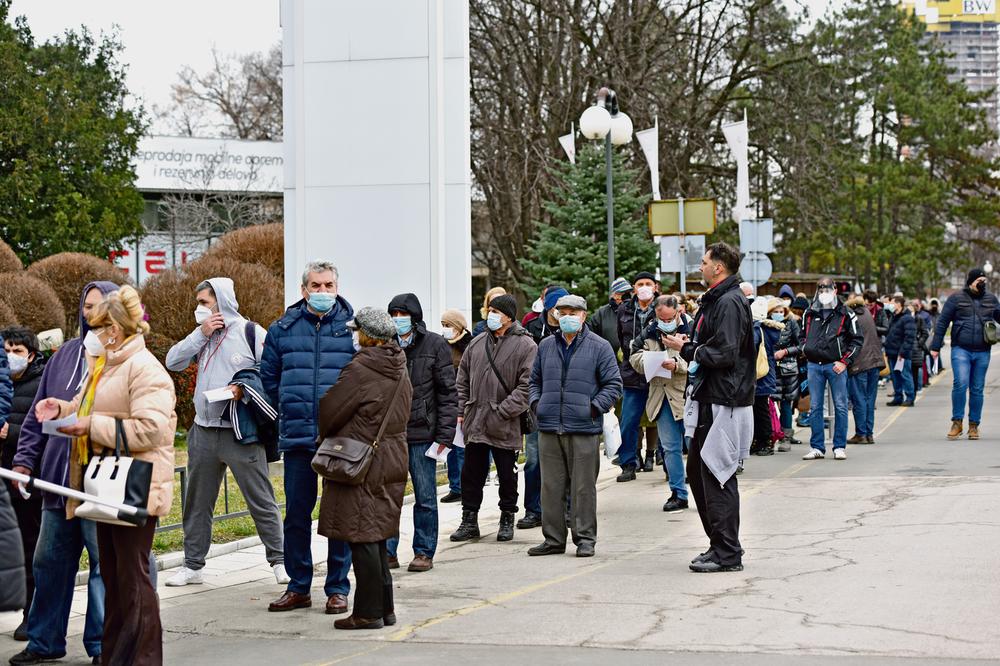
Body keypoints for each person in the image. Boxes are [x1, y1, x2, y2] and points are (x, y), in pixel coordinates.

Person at [35, 285, 176, 665]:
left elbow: (150, 428)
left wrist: (89, 426)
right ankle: (117, 656)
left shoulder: (145, 369)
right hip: (106, 484)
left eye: (98, 327)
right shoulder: (106, 367)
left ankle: (144, 658)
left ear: (114, 329)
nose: (93, 335)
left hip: (135, 485)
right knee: (114, 580)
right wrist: (62, 407)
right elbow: (92, 409)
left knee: (132, 580)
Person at [9, 281, 118, 666]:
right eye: (86, 305)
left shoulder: (122, 357)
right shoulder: (66, 353)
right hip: (57, 481)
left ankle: (103, 646)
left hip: (99, 480)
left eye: (100, 306)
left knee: (104, 567)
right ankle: (44, 641)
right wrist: (24, 463)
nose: (92, 313)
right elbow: (39, 414)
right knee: (49, 563)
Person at [164, 278, 286, 587]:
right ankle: (192, 565)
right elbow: (172, 361)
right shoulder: (203, 335)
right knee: (197, 501)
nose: (199, 308)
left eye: (204, 303)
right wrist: (199, 334)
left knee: (261, 499)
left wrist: (242, 387)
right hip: (203, 432)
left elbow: (272, 373)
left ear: (222, 302)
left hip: (240, 431)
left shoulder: (250, 333)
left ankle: (280, 561)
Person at [261, 261, 354, 615]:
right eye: (316, 286)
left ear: (337, 286)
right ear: (303, 290)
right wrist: (287, 409)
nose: (323, 292)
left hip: (339, 437)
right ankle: (298, 586)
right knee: (297, 515)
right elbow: (269, 379)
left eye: (328, 285)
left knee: (338, 515)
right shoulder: (282, 329)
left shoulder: (351, 329)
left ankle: (337, 588)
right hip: (298, 436)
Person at [315, 307, 412, 630]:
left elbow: (331, 409)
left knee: (362, 536)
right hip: (392, 454)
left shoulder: (362, 368)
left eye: (356, 331)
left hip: (362, 459)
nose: (353, 336)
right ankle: (384, 609)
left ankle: (368, 613)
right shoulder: (398, 364)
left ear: (368, 335)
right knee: (378, 534)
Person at [663, 242, 754, 573]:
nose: (699, 267)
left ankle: (728, 552)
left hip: (724, 399)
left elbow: (726, 353)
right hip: (710, 396)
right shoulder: (718, 300)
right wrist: (691, 347)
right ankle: (718, 545)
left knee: (717, 474)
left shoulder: (729, 301)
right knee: (699, 476)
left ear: (719, 267)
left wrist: (691, 350)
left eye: (703, 263)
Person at [527, 295, 621, 557]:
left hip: (583, 427)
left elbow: (614, 384)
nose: (567, 316)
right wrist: (537, 404)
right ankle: (553, 539)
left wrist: (592, 408)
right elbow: (534, 381)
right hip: (549, 426)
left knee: (583, 488)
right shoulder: (545, 346)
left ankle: (585, 539)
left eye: (573, 312)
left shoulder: (599, 346)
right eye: (562, 312)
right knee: (550, 487)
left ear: (583, 315)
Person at [450, 294, 537, 543]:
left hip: (505, 423)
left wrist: (503, 410)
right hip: (475, 420)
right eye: (490, 310)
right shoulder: (476, 344)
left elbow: (527, 385)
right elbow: (462, 380)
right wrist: (461, 410)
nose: (491, 315)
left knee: (507, 476)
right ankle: (469, 520)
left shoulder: (526, 346)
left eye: (497, 311)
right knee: (471, 474)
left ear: (509, 316)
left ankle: (507, 518)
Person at [385, 293, 458, 573]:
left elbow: (448, 393)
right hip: (391, 435)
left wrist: (444, 436)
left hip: (422, 434)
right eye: (394, 314)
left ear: (414, 317)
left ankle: (424, 551)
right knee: (389, 496)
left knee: (425, 497)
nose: (399, 320)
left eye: (403, 315)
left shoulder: (435, 344)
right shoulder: (387, 344)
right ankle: (387, 551)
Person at [1, 327, 46, 640]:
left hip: (27, 480)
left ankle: (32, 614)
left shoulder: (41, 382)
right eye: (6, 350)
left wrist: (10, 431)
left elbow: (43, 427)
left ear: (31, 355)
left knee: (30, 547)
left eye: (17, 351)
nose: (10, 356)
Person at [629, 296, 690, 511]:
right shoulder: (648, 332)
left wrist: (677, 365)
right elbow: (633, 357)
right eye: (661, 317)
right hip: (660, 396)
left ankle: (704, 490)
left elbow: (700, 358)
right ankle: (678, 493)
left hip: (686, 396)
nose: (665, 321)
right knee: (670, 448)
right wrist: (647, 360)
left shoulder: (691, 329)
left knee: (696, 447)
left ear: (678, 312)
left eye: (670, 318)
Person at [518, 286, 567, 531]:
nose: (561, 313)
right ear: (548, 306)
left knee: (567, 459)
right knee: (534, 460)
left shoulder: (574, 329)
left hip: (567, 403)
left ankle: (567, 508)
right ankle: (533, 509)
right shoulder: (532, 330)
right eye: (557, 308)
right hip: (539, 403)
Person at [930, 268, 1000, 440]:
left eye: (984, 280)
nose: (982, 283)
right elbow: (942, 323)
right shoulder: (956, 298)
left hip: (983, 349)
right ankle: (957, 422)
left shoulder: (991, 299)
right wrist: (935, 346)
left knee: (977, 388)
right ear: (971, 281)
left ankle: (974, 425)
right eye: (979, 280)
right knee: (960, 383)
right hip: (961, 348)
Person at [800, 278, 863, 461]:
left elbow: (857, 340)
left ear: (835, 290)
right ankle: (817, 447)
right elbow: (802, 335)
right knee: (815, 407)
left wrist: (844, 361)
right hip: (814, 365)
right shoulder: (809, 313)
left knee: (841, 406)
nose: (824, 292)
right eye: (821, 288)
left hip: (836, 365)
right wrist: (806, 348)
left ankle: (839, 446)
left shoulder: (846, 313)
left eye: (828, 288)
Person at [615, 271, 659, 482]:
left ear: (655, 287)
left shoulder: (663, 307)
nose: (644, 287)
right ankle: (628, 464)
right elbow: (620, 338)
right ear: (633, 289)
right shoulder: (624, 310)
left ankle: (667, 461)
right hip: (631, 374)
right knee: (628, 421)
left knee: (664, 420)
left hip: (658, 373)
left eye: (648, 283)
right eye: (639, 284)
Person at [440, 309, 472, 504]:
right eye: (443, 325)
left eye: (448, 325)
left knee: (463, 448)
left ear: (458, 326)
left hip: (465, 402)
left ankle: (465, 485)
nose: (445, 330)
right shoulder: (442, 346)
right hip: (448, 401)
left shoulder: (469, 345)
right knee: (451, 446)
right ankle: (455, 486)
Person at [845, 295, 885, 444]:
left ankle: (861, 433)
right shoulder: (867, 313)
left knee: (859, 399)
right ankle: (869, 433)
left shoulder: (852, 316)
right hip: (874, 361)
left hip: (859, 362)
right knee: (869, 398)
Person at [750, 297, 781, 456]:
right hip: (766, 374)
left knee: (759, 411)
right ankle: (763, 441)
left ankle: (764, 441)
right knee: (761, 409)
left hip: (759, 376)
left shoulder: (757, 330)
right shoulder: (770, 329)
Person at [770, 299, 802, 451]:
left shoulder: (791, 323)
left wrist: (786, 351)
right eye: (775, 312)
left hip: (788, 368)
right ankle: (771, 434)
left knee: (785, 403)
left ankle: (786, 437)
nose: (778, 314)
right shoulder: (766, 324)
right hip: (771, 368)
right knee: (770, 403)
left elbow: (801, 345)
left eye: (781, 311)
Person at [884, 296, 916, 408]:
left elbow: (909, 337)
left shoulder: (907, 318)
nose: (889, 305)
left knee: (905, 375)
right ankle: (898, 397)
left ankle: (909, 397)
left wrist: (902, 352)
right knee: (895, 376)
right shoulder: (894, 317)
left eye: (892, 303)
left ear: (898, 304)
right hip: (892, 353)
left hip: (901, 354)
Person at [587, 277, 632, 354]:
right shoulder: (601, 313)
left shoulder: (635, 310)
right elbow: (590, 335)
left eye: (627, 293)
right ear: (614, 295)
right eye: (621, 293)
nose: (624, 297)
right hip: (608, 358)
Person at [911, 299, 931, 393]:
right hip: (907, 348)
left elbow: (925, 333)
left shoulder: (920, 318)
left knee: (917, 367)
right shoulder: (904, 318)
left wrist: (919, 343)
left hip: (916, 348)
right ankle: (912, 388)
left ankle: (918, 387)